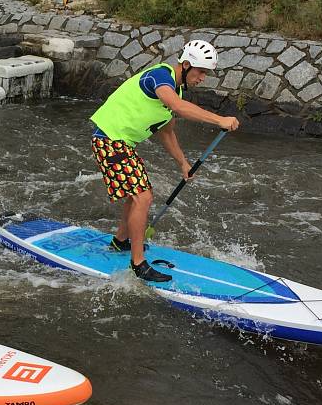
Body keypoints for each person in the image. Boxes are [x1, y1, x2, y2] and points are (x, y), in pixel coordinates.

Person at [90, 39, 240, 283]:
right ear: (188, 65)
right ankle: (138, 264)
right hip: (108, 139)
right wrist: (219, 119)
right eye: (201, 72)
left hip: (121, 143)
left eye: (206, 73)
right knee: (143, 196)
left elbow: (167, 131)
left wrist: (183, 163)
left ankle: (120, 242)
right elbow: (178, 107)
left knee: (135, 193)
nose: (203, 78)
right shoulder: (160, 76)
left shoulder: (176, 90)